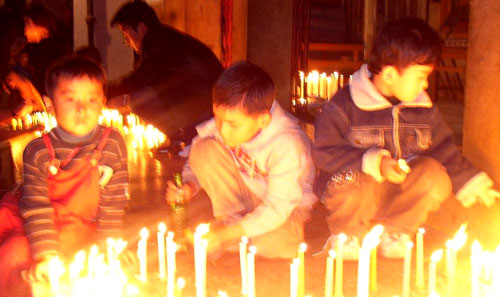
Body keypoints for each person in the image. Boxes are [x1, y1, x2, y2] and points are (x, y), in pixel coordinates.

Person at [312, 17, 500, 260]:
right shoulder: (343, 106)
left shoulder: (424, 110)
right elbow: (324, 152)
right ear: (390, 74)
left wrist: (471, 181)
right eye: (421, 75)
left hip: (399, 196)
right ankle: (347, 234)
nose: (425, 83)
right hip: (354, 194)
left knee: (435, 175)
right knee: (353, 180)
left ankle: (397, 232)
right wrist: (375, 163)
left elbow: (444, 149)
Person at [0, 56, 129, 296]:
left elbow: (113, 203)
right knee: (11, 253)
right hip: (36, 220)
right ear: (50, 105)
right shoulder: (38, 151)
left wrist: (111, 247)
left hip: (78, 226)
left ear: (102, 103)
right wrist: (46, 255)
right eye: (70, 99)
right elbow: (36, 206)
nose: (81, 109)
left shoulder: (112, 144)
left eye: (91, 99)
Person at [166, 61, 317, 258]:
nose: (223, 131)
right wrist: (189, 186)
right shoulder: (230, 118)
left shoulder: (288, 145)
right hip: (246, 192)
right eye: (218, 119)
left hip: (286, 205)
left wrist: (230, 234)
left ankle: (233, 234)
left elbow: (278, 206)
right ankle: (230, 222)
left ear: (263, 120)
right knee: (205, 148)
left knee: (280, 244)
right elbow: (196, 153)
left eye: (232, 125)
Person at [108, 0, 223, 148]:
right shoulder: (163, 38)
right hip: (200, 99)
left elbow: (141, 79)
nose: (126, 41)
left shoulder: (160, 43)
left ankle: (184, 138)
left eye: (126, 34)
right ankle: (179, 137)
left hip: (205, 103)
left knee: (135, 101)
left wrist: (106, 94)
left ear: (141, 28)